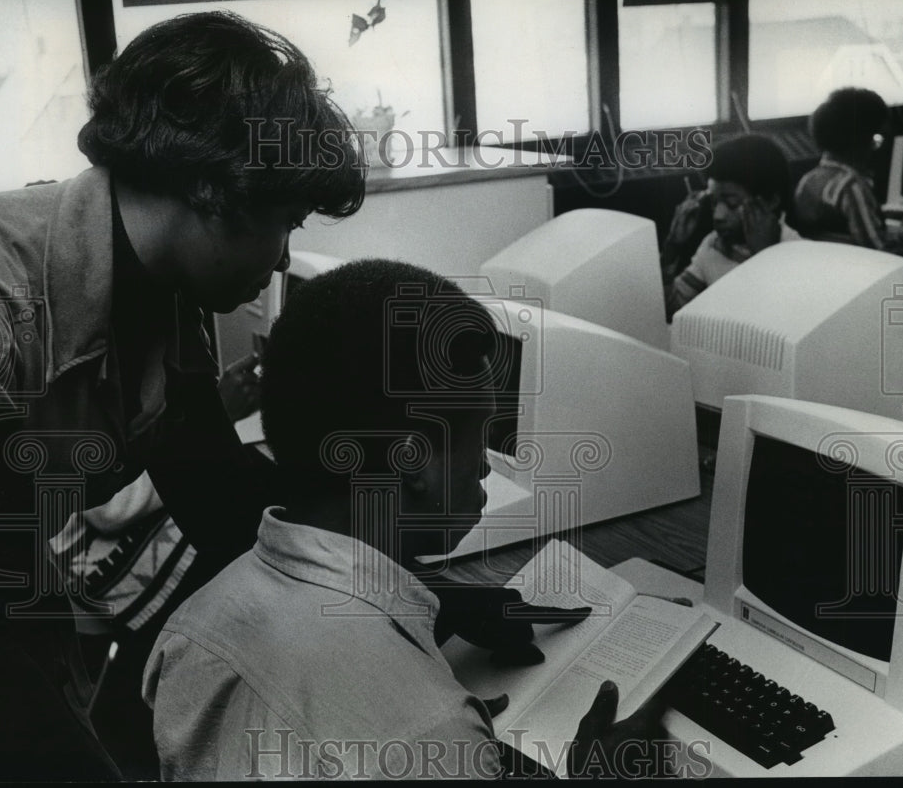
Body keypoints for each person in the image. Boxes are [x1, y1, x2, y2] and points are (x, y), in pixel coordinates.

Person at [0, 11, 363, 781]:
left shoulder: (164, 289)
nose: (283, 256)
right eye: (284, 221)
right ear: (213, 188)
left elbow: (216, 495)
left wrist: (411, 590)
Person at [144, 259, 668, 780]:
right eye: (476, 435)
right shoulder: (434, 731)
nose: (483, 463)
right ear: (412, 461)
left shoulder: (191, 627)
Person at [666, 134, 800, 318]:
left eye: (732, 204)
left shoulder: (797, 251)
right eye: (713, 202)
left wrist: (764, 256)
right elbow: (672, 308)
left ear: (770, 201)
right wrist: (672, 247)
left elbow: (783, 320)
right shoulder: (714, 245)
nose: (718, 215)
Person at [791, 87, 903, 252]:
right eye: (876, 139)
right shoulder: (851, 186)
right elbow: (880, 249)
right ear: (858, 141)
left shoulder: (807, 180)